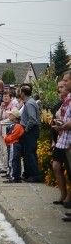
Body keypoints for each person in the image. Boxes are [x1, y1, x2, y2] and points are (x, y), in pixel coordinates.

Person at [10, 84, 41, 182]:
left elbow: (33, 119)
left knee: (29, 153)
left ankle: (35, 176)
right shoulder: (30, 102)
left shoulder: (29, 104)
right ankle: (28, 174)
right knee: (28, 153)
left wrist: (25, 130)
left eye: (20, 92)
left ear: (23, 93)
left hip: (30, 132)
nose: (19, 94)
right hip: (30, 131)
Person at [50, 76, 70, 208]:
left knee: (69, 170)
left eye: (64, 83)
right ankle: (63, 194)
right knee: (56, 165)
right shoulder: (64, 102)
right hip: (62, 138)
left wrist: (61, 126)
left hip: (68, 139)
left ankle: (68, 197)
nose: (60, 89)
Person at [0, 91, 19, 178]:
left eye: (6, 97)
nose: (5, 98)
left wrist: (3, 120)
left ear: (10, 97)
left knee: (8, 151)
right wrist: (1, 108)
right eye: (4, 97)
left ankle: (9, 170)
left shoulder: (13, 105)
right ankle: (7, 168)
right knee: (4, 150)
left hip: (10, 130)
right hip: (3, 130)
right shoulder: (3, 106)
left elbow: (14, 117)